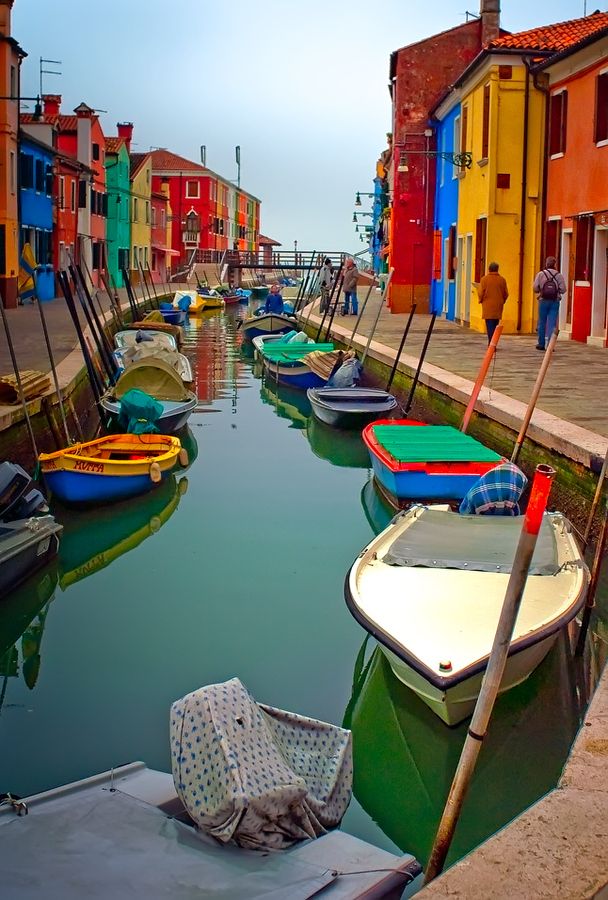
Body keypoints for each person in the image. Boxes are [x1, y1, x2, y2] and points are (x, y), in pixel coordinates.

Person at [533, 256, 566, 350]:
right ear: (555, 264)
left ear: (546, 264)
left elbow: (535, 288)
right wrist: (557, 291)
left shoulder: (540, 274)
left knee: (542, 322)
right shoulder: (559, 275)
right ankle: (550, 345)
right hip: (554, 301)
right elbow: (563, 289)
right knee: (552, 323)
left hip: (543, 300)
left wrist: (541, 290)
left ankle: (541, 344)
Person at [477, 262, 508, 344]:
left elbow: (480, 293)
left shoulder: (484, 279)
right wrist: (502, 301)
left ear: (489, 269)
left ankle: (491, 342)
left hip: (487, 305)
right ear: (497, 269)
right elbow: (506, 294)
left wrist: (480, 300)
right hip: (498, 305)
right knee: (495, 324)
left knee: (489, 325)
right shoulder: (502, 280)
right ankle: (493, 342)